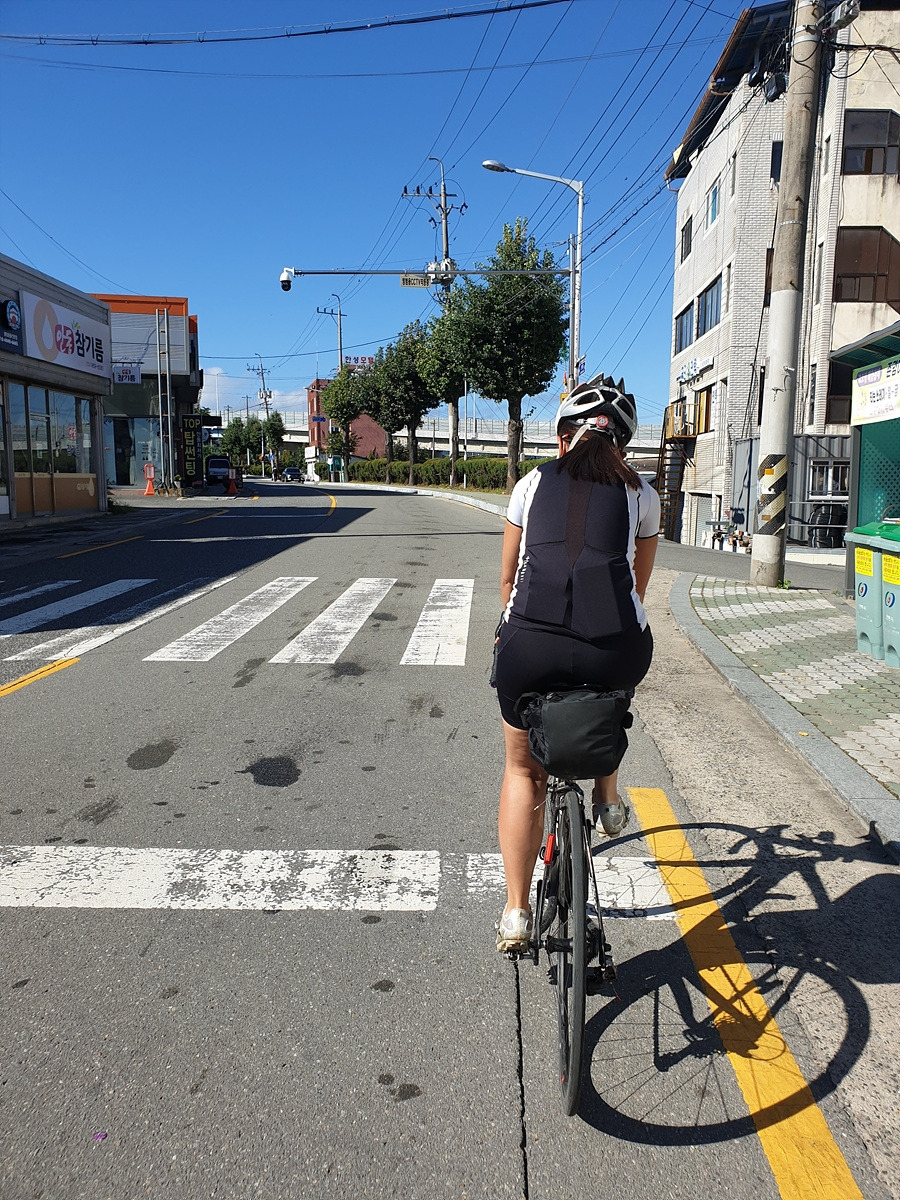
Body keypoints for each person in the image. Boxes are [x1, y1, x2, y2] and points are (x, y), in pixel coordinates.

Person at [492, 374, 660, 953]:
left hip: (530, 647)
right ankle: (607, 794)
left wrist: (514, 630)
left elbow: (507, 579)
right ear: (622, 445)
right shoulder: (642, 494)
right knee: (617, 684)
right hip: (611, 651)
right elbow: (636, 586)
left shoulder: (531, 483)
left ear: (563, 437)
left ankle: (516, 912)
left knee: (523, 770)